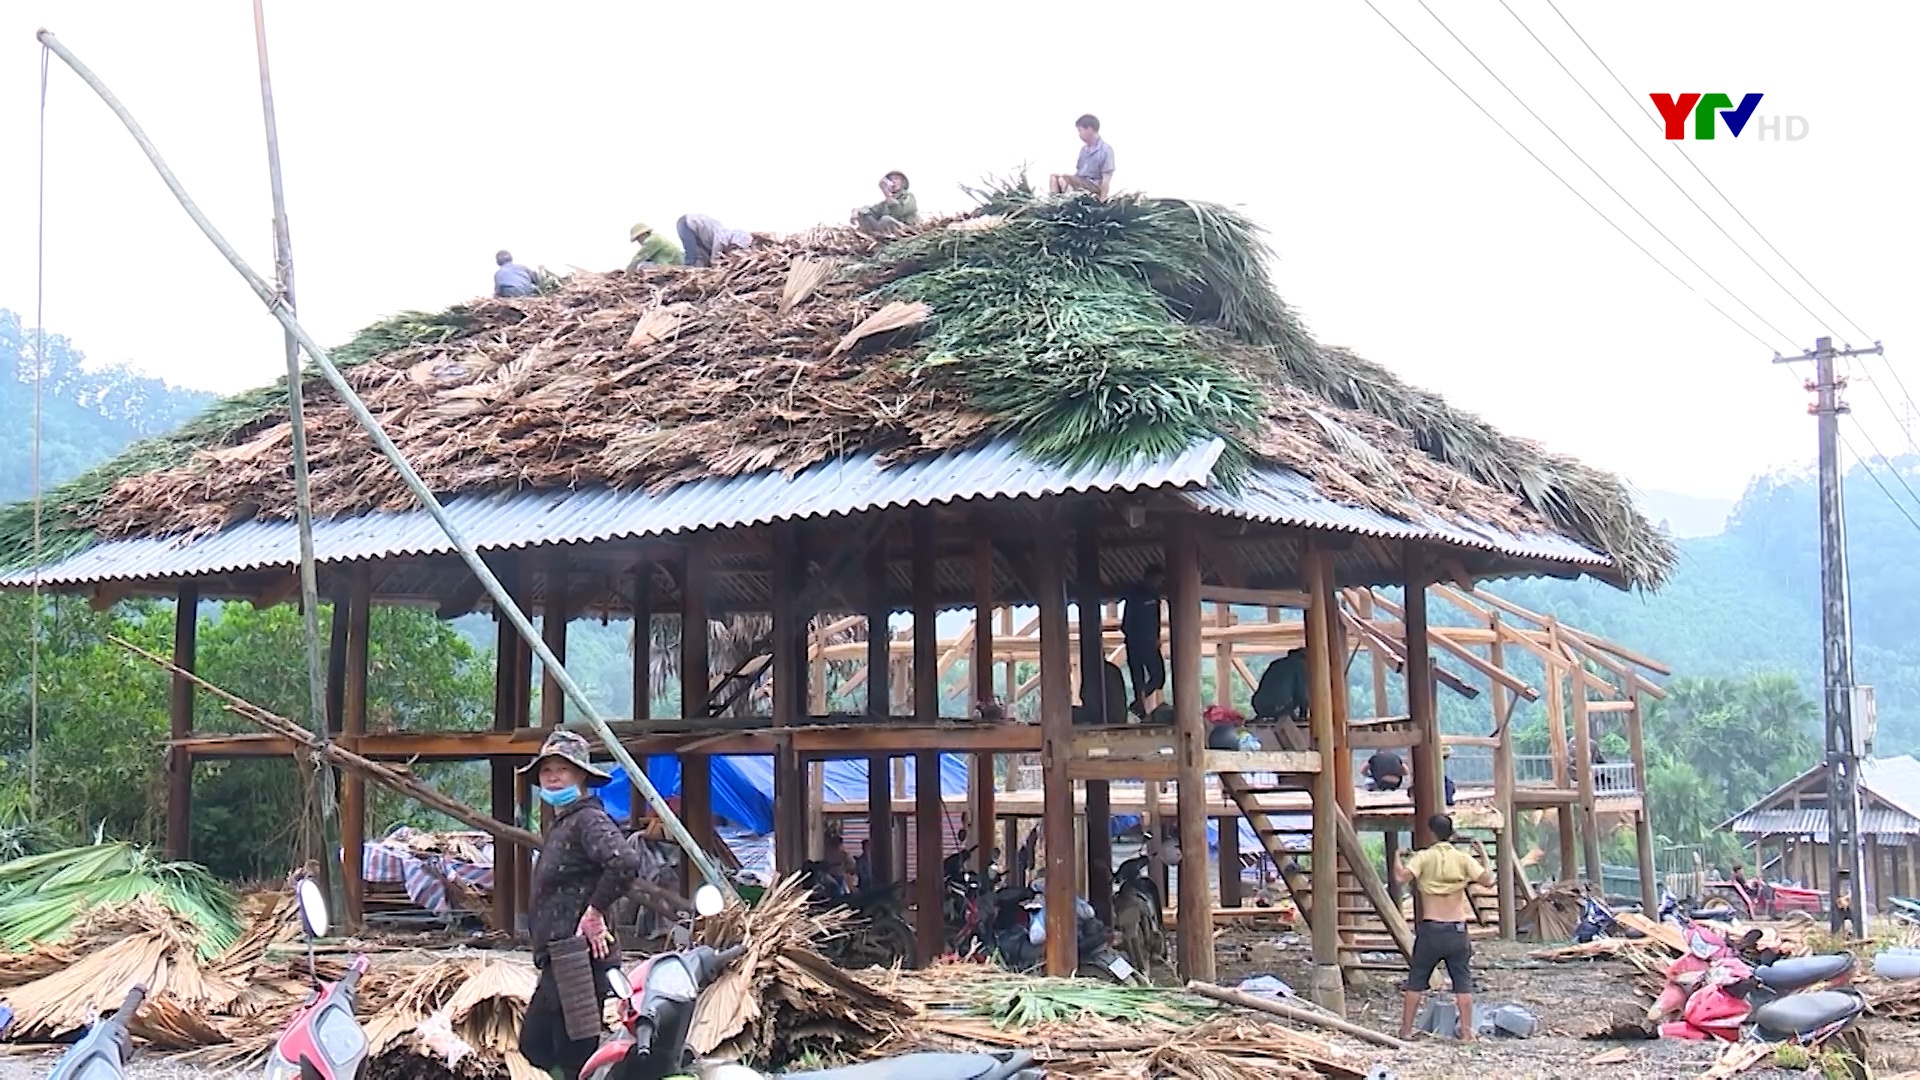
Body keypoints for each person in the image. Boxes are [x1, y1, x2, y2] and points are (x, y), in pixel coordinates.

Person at [516, 731, 643, 1079]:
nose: (553, 776)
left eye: (563, 769)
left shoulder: (588, 818)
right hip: (559, 955)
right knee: (540, 1045)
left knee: (569, 1048)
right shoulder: (565, 821)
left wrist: (595, 911)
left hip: (576, 956)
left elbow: (624, 862)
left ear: (582, 776)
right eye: (547, 771)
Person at [1392, 814, 1495, 1042]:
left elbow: (1400, 877)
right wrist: (1483, 854)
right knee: (1462, 982)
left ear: (1431, 833)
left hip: (1430, 929)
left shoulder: (1424, 857)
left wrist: (1397, 857)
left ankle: (1406, 1030)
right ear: (1451, 833)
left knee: (1416, 981)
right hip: (1456, 928)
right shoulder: (1462, 858)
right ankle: (1467, 1032)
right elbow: (1488, 880)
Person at [1120, 565, 1166, 720]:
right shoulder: (1135, 595)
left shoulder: (1155, 595)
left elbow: (1156, 620)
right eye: (1156, 579)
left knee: (1158, 677)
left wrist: (1155, 637)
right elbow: (1126, 623)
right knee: (1137, 678)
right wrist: (1136, 639)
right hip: (1136, 643)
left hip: (1150, 643)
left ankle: (1138, 702)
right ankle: (1140, 705)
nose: (1158, 583)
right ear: (1148, 578)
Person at [1049, 114, 1116, 199]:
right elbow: (1078, 172)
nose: (1079, 134)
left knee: (1064, 179)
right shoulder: (1084, 150)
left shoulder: (1105, 150)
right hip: (1080, 182)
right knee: (1054, 178)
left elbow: (1106, 177)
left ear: (1089, 129)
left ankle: (1070, 201)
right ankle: (1055, 202)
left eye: (1080, 130)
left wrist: (1103, 198)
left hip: (1093, 186)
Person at [853, 171, 919, 236]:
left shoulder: (908, 196)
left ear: (903, 183)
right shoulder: (885, 203)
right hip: (886, 233)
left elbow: (898, 213)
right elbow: (870, 210)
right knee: (865, 215)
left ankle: (889, 237)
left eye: (896, 178)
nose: (893, 181)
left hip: (906, 229)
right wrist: (856, 211)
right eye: (890, 179)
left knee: (885, 219)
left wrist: (886, 193)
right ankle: (879, 236)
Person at [675, 213, 754, 268]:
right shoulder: (722, 238)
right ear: (732, 241)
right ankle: (685, 273)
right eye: (734, 247)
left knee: (700, 257)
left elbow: (707, 257)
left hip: (695, 230)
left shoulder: (714, 239)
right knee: (692, 255)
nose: (732, 251)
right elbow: (714, 260)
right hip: (686, 222)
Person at [1250, 650, 1309, 721]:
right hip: (1280, 707)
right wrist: (1303, 715)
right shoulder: (1299, 665)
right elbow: (1301, 693)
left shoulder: (1276, 663)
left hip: (1258, 706)